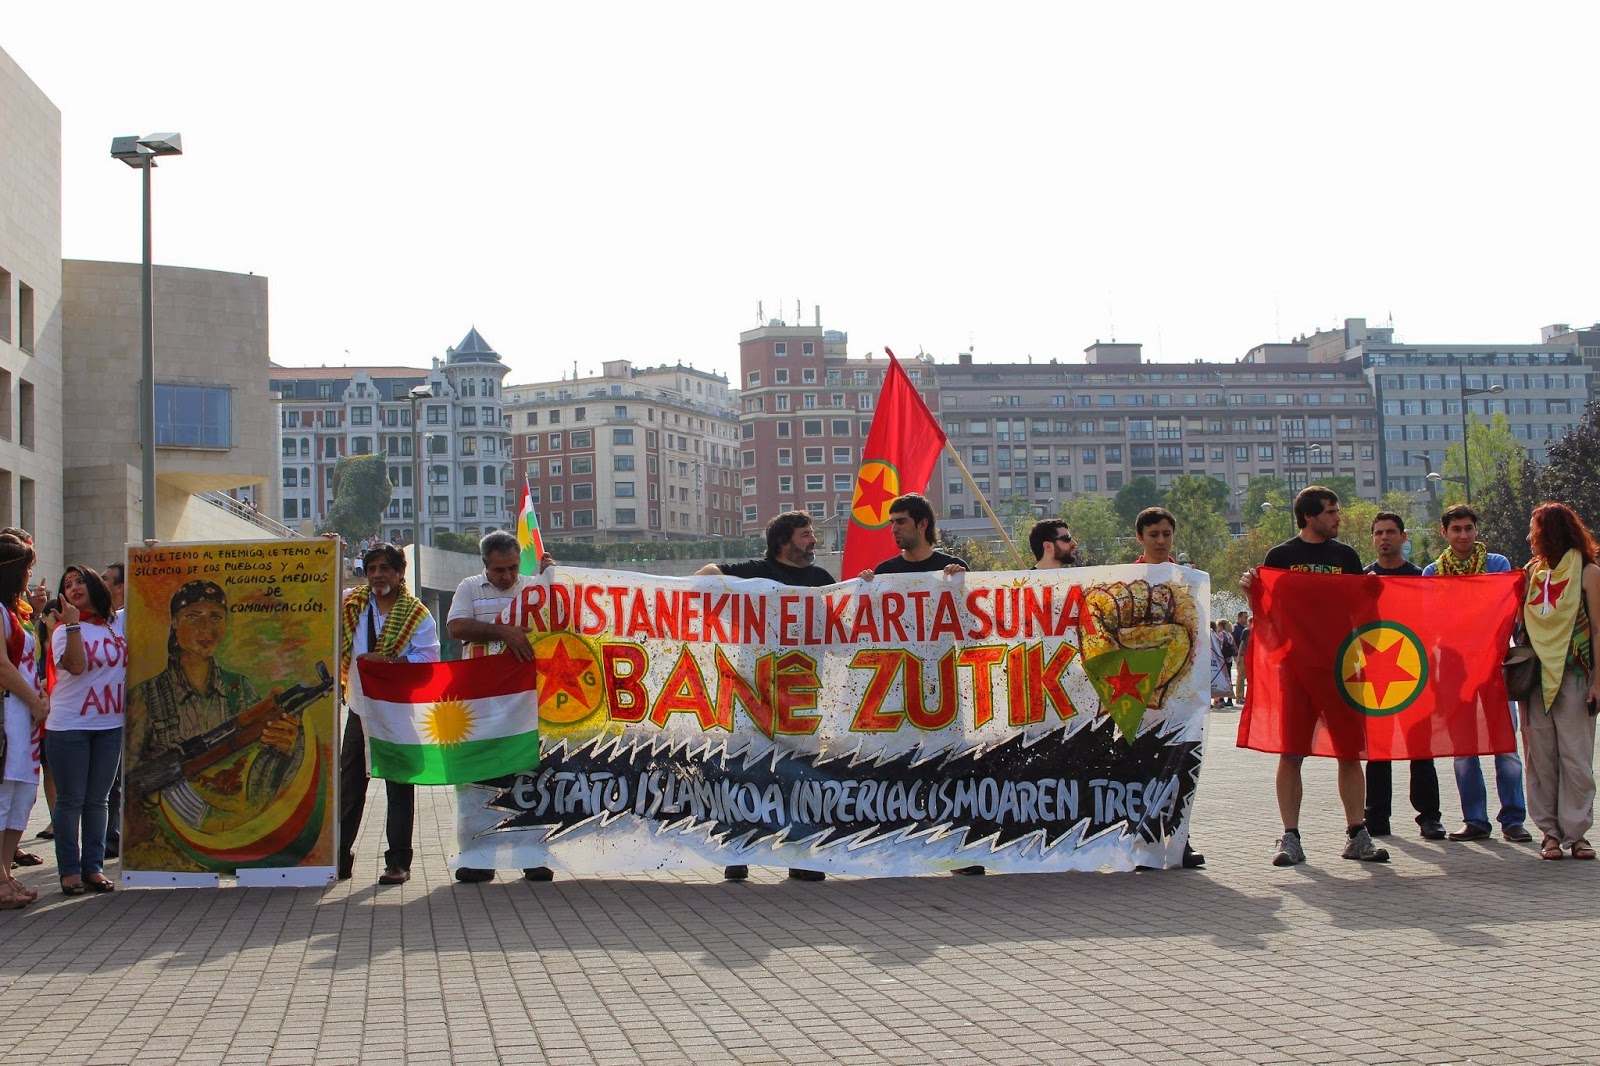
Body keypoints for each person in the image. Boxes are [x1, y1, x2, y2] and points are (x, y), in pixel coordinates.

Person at [1242, 486, 1388, 866]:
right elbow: (1269, 615)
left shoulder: (1346, 557)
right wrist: (1251, 593)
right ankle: (1290, 837)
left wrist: (1372, 594)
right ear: (1309, 517)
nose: (1338, 517)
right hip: (1297, 670)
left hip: (1342, 668)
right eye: (1331, 512)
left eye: (1337, 510)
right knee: (1291, 753)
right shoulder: (1281, 557)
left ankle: (1357, 834)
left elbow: (1362, 613)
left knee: (1350, 753)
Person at [697, 510, 834, 882]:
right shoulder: (753, 572)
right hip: (753, 693)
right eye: (805, 534)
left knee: (801, 776)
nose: (813, 540)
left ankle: (801, 856)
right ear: (783, 542)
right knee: (747, 770)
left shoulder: (821, 580)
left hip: (802, 695)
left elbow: (840, 628)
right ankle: (738, 851)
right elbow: (705, 576)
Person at [126, 580, 303, 856]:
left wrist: (285, 747)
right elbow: (130, 775)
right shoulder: (146, 696)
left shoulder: (239, 688)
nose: (206, 629)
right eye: (193, 616)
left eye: (216, 617)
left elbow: (260, 770)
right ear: (174, 622)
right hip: (165, 841)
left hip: (233, 831)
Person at [445, 530, 552, 885]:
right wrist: (504, 631)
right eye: (498, 570)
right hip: (481, 703)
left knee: (530, 778)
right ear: (485, 566)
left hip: (525, 704)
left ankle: (533, 857)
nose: (506, 576)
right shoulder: (469, 588)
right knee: (480, 780)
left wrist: (556, 581)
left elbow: (563, 620)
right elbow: (457, 627)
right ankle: (478, 859)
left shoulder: (535, 587)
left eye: (512, 568)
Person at [1421, 504, 1531, 844]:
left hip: (1493, 665)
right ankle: (1475, 820)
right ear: (1445, 533)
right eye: (1456, 529)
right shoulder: (1432, 572)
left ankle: (1513, 819)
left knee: (1505, 745)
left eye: (1469, 528)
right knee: (1463, 748)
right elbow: (1429, 619)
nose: (1463, 535)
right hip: (1454, 668)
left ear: (1476, 530)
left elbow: (1504, 609)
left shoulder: (1497, 565)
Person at [339, 542, 439, 885]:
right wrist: (327, 550)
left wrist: (389, 662)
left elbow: (428, 661)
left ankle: (398, 863)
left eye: (385, 568)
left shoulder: (417, 615)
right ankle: (338, 858)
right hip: (360, 709)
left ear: (399, 573)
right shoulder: (351, 603)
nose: (378, 575)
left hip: (398, 712)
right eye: (371, 569)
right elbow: (318, 590)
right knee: (349, 787)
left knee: (398, 788)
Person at [1519, 502, 1600, 861]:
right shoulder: (1531, 572)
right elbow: (1517, 622)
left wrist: (1598, 682)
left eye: (1534, 530)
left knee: (1575, 757)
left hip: (1575, 673)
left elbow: (1597, 629)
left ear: (1548, 532)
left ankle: (1577, 833)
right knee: (1541, 757)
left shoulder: (1589, 572)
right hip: (1536, 677)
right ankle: (1549, 833)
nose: (1530, 538)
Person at [1360, 512, 1445, 841]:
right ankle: (1376, 816)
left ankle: (1429, 817)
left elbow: (1435, 623)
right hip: (1374, 676)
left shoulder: (1420, 578)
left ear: (1403, 537)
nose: (1385, 538)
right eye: (1379, 533)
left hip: (1415, 674)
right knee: (1378, 751)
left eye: (1391, 532)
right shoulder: (1363, 580)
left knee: (1420, 749)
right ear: (1373, 539)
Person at [1131, 506, 1205, 869]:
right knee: (1143, 770)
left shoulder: (1189, 579)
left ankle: (1180, 841)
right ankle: (1144, 844)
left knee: (1182, 767)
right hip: (1138, 691)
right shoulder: (1123, 580)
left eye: (1166, 534)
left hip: (1181, 693)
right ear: (1140, 538)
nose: (1161, 541)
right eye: (1153, 535)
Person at [45, 566, 125, 894]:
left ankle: (93, 868)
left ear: (94, 585)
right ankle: (69, 871)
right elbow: (76, 667)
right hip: (69, 727)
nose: (74, 587)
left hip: (110, 726)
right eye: (68, 584)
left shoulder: (117, 622)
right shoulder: (63, 630)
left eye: (80, 581)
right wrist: (73, 623)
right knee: (71, 801)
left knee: (98, 800)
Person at [0, 537, 48, 908]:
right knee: (4, 795)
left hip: (25, 717)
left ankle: (4, 872)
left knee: (21, 796)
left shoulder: (18, 613)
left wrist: (38, 694)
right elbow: (2, 667)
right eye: (27, 568)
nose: (30, 575)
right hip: (9, 714)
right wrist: (34, 701)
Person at [861, 493, 968, 576]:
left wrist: (962, 582)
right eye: (892, 523)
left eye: (901, 522)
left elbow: (973, 597)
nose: (893, 529)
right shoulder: (884, 572)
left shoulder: (954, 570)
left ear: (922, 525)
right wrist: (863, 585)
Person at [100, 561, 126, 859]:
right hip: (107, 713)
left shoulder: (130, 619)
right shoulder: (104, 621)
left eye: (105, 579)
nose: (100, 583)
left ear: (120, 586)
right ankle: (109, 837)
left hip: (129, 710)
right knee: (110, 782)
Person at [1232, 610, 1250, 705]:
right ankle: (1239, 696)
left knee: (1244, 675)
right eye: (1245, 617)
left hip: (1244, 654)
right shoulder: (1236, 627)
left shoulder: (1244, 628)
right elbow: (1233, 639)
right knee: (1241, 675)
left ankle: (1242, 696)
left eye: (1247, 617)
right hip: (1240, 655)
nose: (1246, 619)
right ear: (1239, 617)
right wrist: (1236, 650)